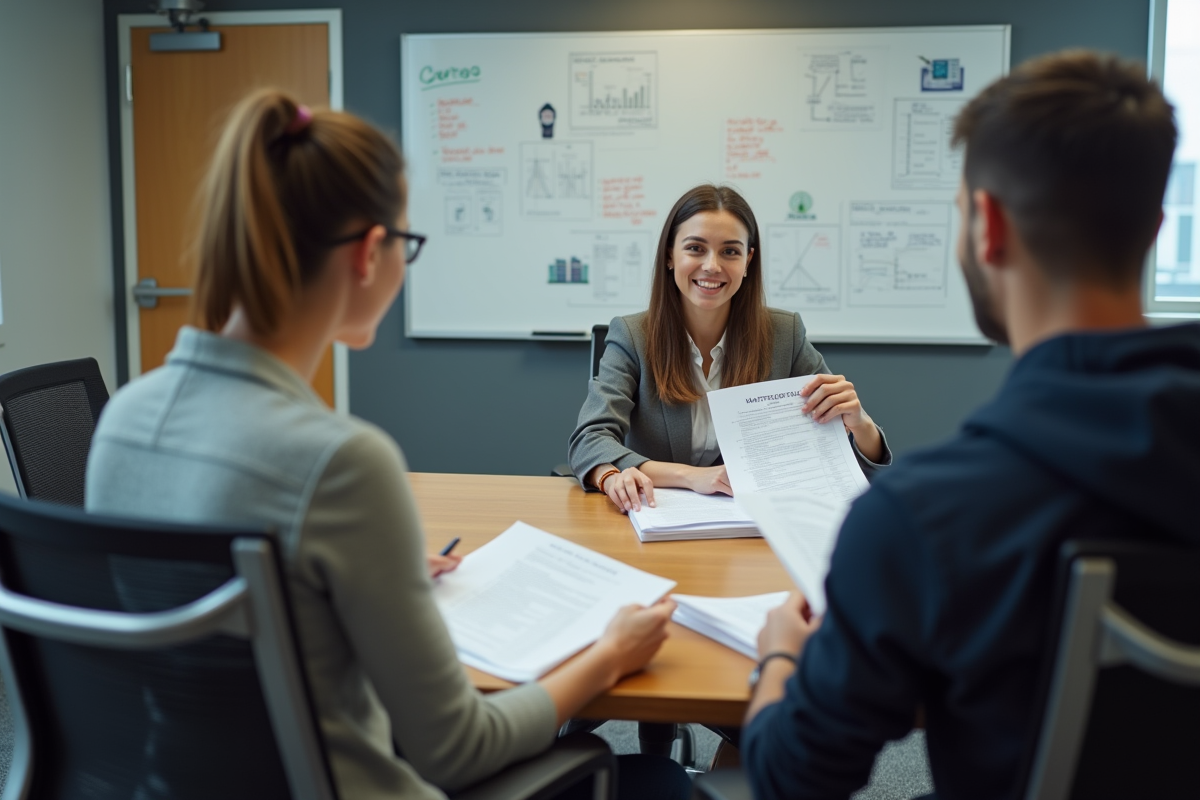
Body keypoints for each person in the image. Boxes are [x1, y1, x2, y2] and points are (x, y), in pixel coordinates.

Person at [85, 90, 691, 800]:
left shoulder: (122, 421)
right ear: (372, 253)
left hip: (178, 782)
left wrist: (368, 581)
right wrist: (607, 659)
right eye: (408, 242)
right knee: (660, 783)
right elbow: (458, 750)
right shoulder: (340, 462)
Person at [742, 51, 1200, 800]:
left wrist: (782, 655)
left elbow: (793, 778)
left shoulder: (925, 515)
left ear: (987, 226)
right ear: (1151, 229)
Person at [568, 184, 891, 512]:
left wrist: (859, 422)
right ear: (669, 254)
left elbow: (849, 466)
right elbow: (589, 441)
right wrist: (690, 477)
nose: (712, 265)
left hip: (751, 527)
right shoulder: (634, 336)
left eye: (730, 251)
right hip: (655, 516)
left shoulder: (784, 334)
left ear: (748, 260)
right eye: (695, 248)